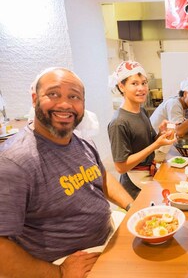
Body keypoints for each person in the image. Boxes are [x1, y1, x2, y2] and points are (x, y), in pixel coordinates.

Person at [0, 67, 134, 278]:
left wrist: (132, 207)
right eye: (53, 94)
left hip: (106, 237)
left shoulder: (83, 141)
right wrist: (59, 272)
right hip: (64, 262)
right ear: (34, 98)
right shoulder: (13, 162)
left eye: (74, 96)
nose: (65, 104)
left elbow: (103, 177)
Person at [108, 61, 176, 199]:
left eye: (144, 83)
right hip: (134, 187)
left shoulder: (142, 111)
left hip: (149, 175)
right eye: (134, 83)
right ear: (122, 86)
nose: (142, 88)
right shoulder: (118, 122)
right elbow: (121, 167)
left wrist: (160, 135)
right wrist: (156, 145)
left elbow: (147, 144)